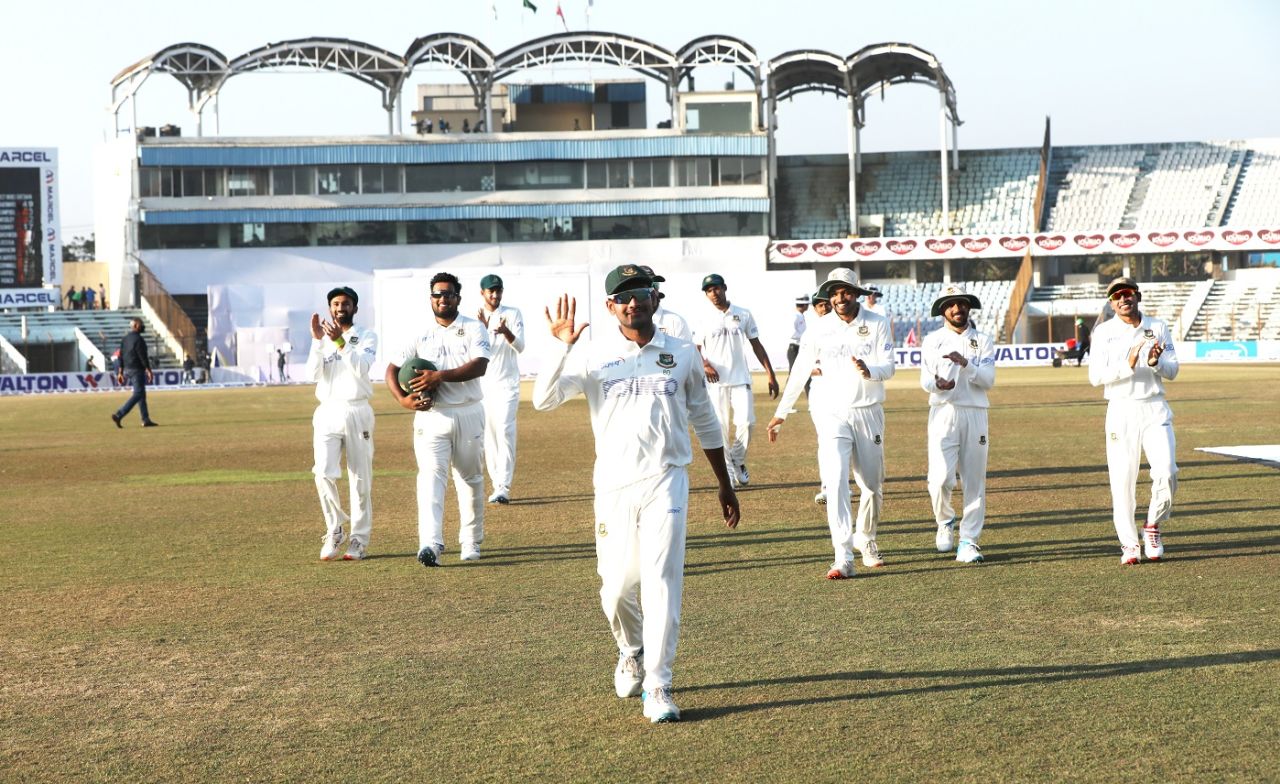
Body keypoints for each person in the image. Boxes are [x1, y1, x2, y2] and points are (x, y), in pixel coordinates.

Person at [532, 264, 740, 724]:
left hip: (667, 478)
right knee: (617, 587)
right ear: (611, 306)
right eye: (622, 296)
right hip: (613, 483)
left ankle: (659, 684)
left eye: (640, 292)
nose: (633, 302)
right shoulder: (593, 355)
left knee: (661, 580)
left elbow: (705, 421)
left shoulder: (683, 353)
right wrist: (561, 345)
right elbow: (543, 400)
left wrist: (724, 484)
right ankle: (630, 649)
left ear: (655, 299)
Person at [767, 268, 895, 577]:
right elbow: (800, 371)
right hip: (830, 411)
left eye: (846, 291)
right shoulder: (818, 328)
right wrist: (782, 411)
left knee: (871, 486)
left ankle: (867, 539)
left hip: (867, 409)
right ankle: (843, 555)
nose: (840, 297)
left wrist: (870, 371)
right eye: (835, 292)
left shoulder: (877, 323)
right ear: (829, 296)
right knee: (836, 480)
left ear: (856, 294)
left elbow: (889, 366)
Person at [386, 273, 491, 566]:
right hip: (432, 416)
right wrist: (403, 400)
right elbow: (392, 370)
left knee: (470, 477)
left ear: (458, 297)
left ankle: (471, 541)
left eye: (448, 294)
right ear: (430, 298)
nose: (442, 299)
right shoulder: (419, 332)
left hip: (468, 410)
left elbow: (480, 366)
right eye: (437, 295)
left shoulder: (473, 328)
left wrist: (439, 376)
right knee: (430, 478)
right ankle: (430, 543)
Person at [1088, 277, 1179, 565]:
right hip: (1121, 409)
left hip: (1154, 407)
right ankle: (1129, 544)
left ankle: (1152, 525)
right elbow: (1095, 377)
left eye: (1127, 293)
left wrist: (1156, 364)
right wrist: (1127, 366)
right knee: (1123, 480)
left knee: (1167, 472)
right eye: (1116, 296)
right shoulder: (1103, 332)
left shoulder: (1158, 326)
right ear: (1111, 303)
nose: (1122, 299)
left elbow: (1173, 370)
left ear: (1137, 296)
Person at [919, 284, 996, 564]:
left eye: (962, 303)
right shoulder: (932, 340)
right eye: (951, 304)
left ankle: (969, 541)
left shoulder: (983, 340)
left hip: (975, 412)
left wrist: (967, 365)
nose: (957, 308)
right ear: (943, 309)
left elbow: (988, 381)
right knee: (939, 479)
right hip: (943, 412)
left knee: (974, 480)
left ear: (968, 306)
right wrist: (937, 384)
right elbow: (925, 379)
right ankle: (945, 520)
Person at [307, 287, 378, 561]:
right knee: (322, 472)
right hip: (327, 411)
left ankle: (359, 539)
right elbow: (312, 374)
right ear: (330, 309)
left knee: (360, 478)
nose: (340, 308)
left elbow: (361, 367)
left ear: (354, 309)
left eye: (346, 304)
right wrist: (317, 341)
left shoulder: (367, 336)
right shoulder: (322, 338)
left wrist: (340, 343)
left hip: (357, 410)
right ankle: (334, 529)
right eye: (335, 304)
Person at [694, 273, 779, 486]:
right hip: (716, 384)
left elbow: (756, 345)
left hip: (741, 379)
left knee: (747, 423)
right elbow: (695, 349)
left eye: (716, 288)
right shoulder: (703, 317)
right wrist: (705, 364)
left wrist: (771, 374)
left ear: (724, 288)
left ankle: (737, 460)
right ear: (706, 295)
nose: (714, 293)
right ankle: (730, 473)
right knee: (720, 428)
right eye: (709, 291)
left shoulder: (742, 314)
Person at [477, 273, 525, 505]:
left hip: (507, 385)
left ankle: (503, 487)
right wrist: (485, 329)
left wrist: (505, 332)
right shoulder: (474, 319)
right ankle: (496, 485)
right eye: (491, 291)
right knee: (490, 436)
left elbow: (521, 346)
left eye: (498, 291)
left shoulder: (512, 313)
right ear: (482, 293)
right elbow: (476, 353)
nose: (495, 295)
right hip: (484, 387)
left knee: (505, 430)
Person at [110, 318, 158, 428]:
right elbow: (143, 356)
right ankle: (119, 414)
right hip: (137, 369)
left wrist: (120, 372)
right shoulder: (139, 340)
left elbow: (120, 355)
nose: (143, 326)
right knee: (138, 393)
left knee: (141, 394)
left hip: (127, 369)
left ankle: (145, 419)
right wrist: (149, 370)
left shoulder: (125, 339)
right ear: (136, 325)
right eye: (141, 325)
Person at [808, 290, 832, 505]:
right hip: (820, 392)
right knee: (825, 440)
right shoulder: (811, 332)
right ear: (815, 309)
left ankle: (844, 483)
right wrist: (814, 368)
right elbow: (803, 365)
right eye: (820, 305)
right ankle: (827, 486)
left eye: (827, 304)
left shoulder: (845, 329)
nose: (824, 308)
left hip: (846, 391)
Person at [640, 265, 692, 341]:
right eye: (646, 288)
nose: (652, 291)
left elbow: (687, 352)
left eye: (655, 285)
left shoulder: (676, 322)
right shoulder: (625, 323)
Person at [787, 295, 810, 371]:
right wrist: (805, 337)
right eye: (807, 304)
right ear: (804, 305)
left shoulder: (800, 315)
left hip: (801, 347)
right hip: (795, 348)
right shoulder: (795, 316)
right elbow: (792, 333)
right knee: (794, 374)